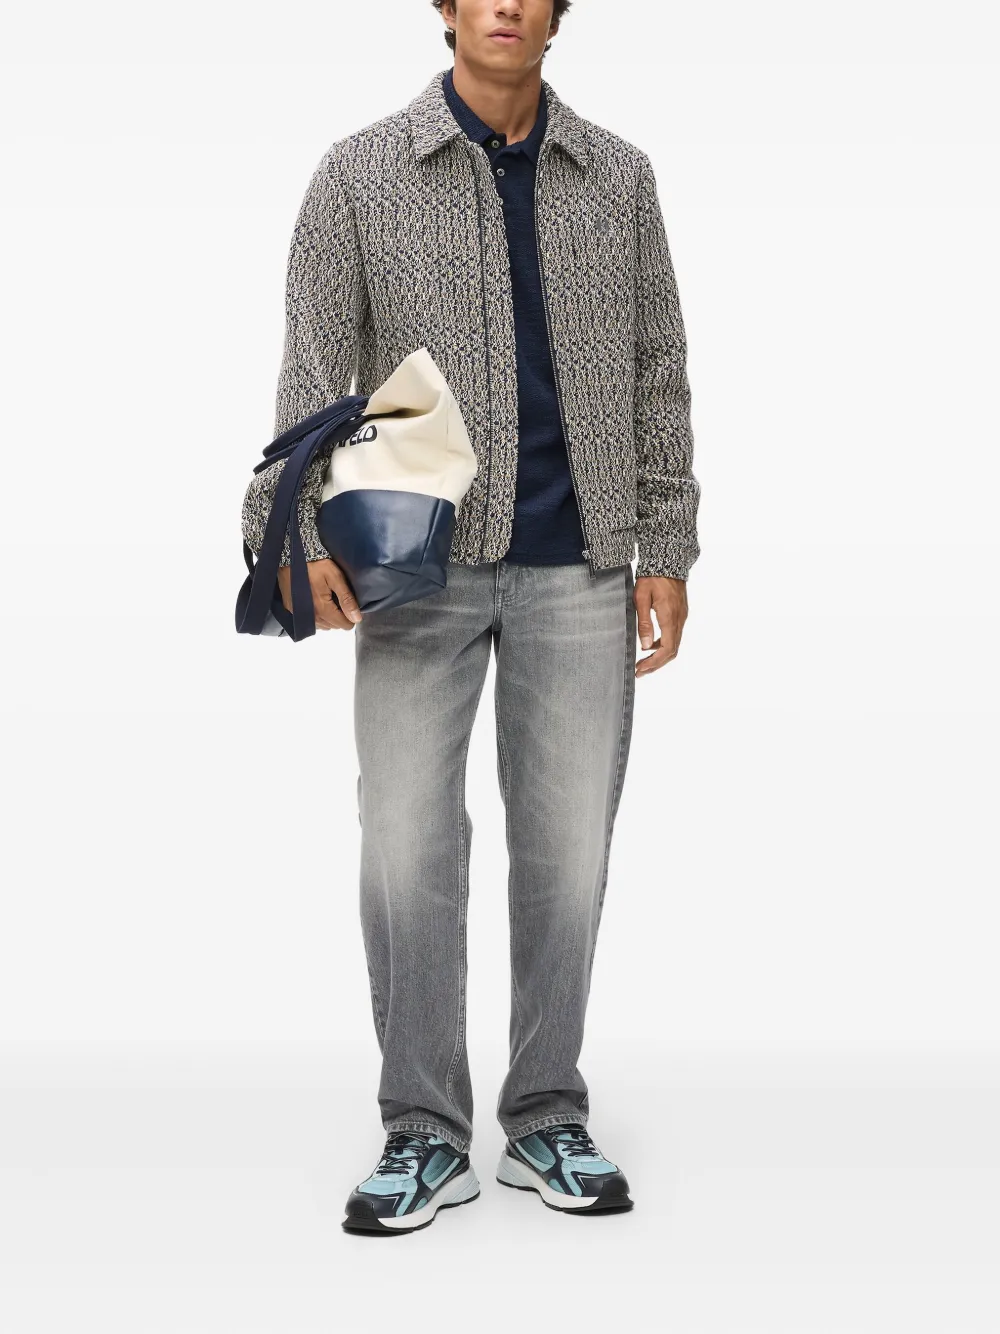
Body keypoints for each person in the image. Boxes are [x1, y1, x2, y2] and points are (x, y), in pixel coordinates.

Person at [241, 0, 700, 1234]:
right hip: (416, 568)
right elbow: (308, 375)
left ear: (557, 12)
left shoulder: (619, 177)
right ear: (444, 8)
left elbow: (657, 365)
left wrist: (667, 544)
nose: (505, 4)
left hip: (583, 564)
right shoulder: (358, 174)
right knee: (405, 849)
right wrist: (289, 534)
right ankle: (422, 1128)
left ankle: (545, 1110)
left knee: (568, 855)